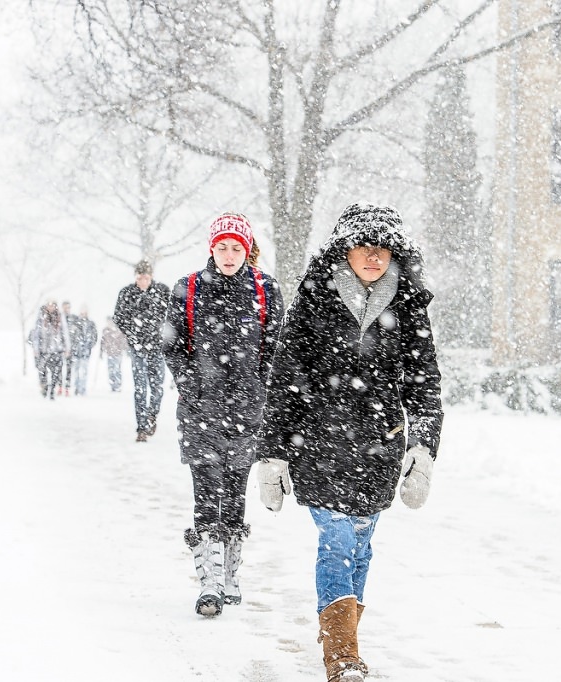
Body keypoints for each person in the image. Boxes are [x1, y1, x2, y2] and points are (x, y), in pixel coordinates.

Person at [256, 202, 443, 681]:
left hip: (380, 445)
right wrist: (273, 452)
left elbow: (424, 382)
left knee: (360, 542)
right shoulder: (315, 297)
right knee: (336, 538)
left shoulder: (407, 305)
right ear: (346, 249)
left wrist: (423, 450)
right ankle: (342, 656)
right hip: (319, 441)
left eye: (383, 249)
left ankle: (339, 633)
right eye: (365, 246)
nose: (374, 256)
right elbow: (287, 377)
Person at [162, 212, 285, 617]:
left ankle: (231, 574)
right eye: (222, 247)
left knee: (233, 492)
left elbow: (275, 351)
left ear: (247, 250)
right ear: (211, 248)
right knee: (205, 492)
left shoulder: (266, 290)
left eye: (237, 247)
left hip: (248, 412)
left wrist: (260, 389)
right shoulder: (189, 288)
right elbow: (172, 344)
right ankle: (208, 583)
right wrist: (190, 383)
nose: (229, 254)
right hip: (201, 409)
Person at [113, 259, 170, 442]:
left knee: (157, 387)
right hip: (137, 348)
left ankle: (152, 414)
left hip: (157, 347)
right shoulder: (127, 293)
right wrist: (132, 335)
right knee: (140, 388)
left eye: (145, 277)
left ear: (151, 276)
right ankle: (141, 428)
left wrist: (163, 335)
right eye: (139, 278)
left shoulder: (162, 291)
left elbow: (172, 316)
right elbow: (119, 317)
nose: (142, 281)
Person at [29, 300, 71, 400]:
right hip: (44, 350)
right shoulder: (41, 317)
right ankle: (45, 387)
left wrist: (67, 348)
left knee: (56, 372)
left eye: (53, 305)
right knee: (42, 371)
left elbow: (65, 332)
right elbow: (36, 334)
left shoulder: (60, 318)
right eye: (49, 305)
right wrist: (36, 348)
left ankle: (52, 389)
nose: (51, 307)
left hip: (57, 349)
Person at [71, 306, 99, 395]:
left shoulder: (91, 324)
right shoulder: (75, 323)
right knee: (76, 371)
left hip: (86, 352)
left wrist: (90, 345)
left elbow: (95, 336)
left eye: (85, 313)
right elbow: (71, 336)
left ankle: (83, 388)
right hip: (76, 352)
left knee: (84, 371)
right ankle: (76, 387)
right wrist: (73, 346)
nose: (83, 314)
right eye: (82, 313)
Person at [100, 317, 127, 392]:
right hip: (109, 353)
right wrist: (101, 352)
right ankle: (112, 385)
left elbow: (123, 340)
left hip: (118, 353)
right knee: (111, 370)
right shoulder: (105, 330)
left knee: (117, 369)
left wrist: (122, 348)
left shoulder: (118, 330)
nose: (109, 323)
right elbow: (102, 342)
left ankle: (118, 385)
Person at [60, 301, 81, 396]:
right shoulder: (59, 318)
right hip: (60, 347)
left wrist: (74, 344)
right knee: (59, 368)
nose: (66, 309)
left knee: (69, 369)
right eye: (65, 307)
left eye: (68, 307)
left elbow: (79, 331)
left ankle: (67, 387)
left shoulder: (74, 318)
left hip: (71, 348)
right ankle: (60, 386)